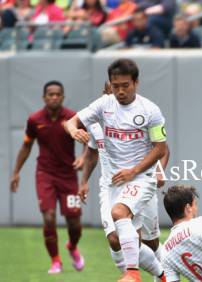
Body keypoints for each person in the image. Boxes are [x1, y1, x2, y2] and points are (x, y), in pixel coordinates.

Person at [64, 58, 168, 282]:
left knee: (144, 236)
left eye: (125, 85)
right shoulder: (102, 107)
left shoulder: (150, 110)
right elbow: (71, 123)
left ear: (136, 83)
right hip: (112, 183)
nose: (119, 91)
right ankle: (163, 275)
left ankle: (132, 274)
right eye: (115, 86)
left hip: (141, 177)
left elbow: (161, 148)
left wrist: (138, 170)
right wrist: (73, 131)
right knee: (115, 239)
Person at [10, 81, 85, 274]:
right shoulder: (35, 120)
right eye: (50, 94)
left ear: (62, 96)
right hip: (45, 174)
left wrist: (83, 157)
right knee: (49, 217)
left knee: (74, 223)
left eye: (57, 94)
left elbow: (88, 139)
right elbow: (26, 146)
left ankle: (72, 247)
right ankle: (56, 261)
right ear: (44, 97)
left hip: (69, 176)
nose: (54, 97)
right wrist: (16, 172)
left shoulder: (72, 118)